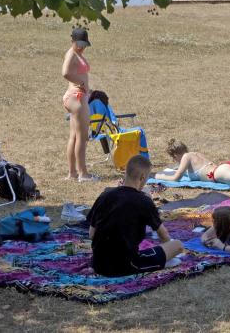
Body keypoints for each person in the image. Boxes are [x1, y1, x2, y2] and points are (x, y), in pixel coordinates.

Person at [88, 155, 184, 276]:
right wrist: (166, 251)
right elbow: (164, 236)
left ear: (126, 172)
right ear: (143, 177)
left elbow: (91, 234)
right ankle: (161, 261)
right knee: (178, 245)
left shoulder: (104, 196)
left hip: (98, 264)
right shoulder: (143, 201)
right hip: (125, 265)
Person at [62, 27, 98, 181]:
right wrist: (81, 82)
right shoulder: (71, 54)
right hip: (76, 97)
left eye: (84, 44)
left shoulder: (77, 54)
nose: (82, 47)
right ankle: (83, 173)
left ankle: (72, 174)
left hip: (76, 97)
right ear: (73, 41)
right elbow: (65, 73)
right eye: (79, 44)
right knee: (82, 138)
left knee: (74, 137)